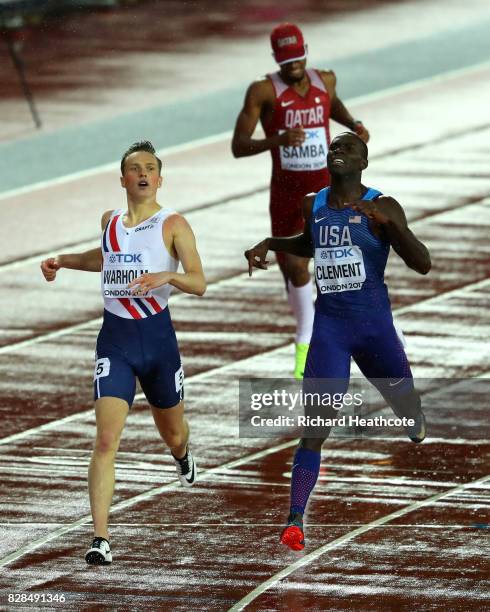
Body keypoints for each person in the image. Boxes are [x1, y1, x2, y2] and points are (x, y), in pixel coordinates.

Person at [245, 132, 431, 551]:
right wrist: (273, 242)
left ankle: (411, 412)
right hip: (329, 331)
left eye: (347, 148)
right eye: (334, 147)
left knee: (402, 396)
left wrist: (391, 228)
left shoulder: (383, 206)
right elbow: (309, 246)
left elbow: (423, 263)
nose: (337, 152)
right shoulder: (314, 204)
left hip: (373, 328)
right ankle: (295, 519)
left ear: (364, 161)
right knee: (315, 428)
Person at [40, 141, 206, 565]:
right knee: (106, 439)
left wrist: (167, 274)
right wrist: (63, 260)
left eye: (150, 168)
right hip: (114, 342)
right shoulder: (110, 221)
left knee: (173, 432)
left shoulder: (173, 224)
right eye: (135, 168)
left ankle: (183, 454)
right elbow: (105, 257)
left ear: (159, 178)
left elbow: (199, 281)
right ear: (124, 179)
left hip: (158, 344)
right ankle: (100, 538)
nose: (143, 173)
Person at [232, 22, 369, 379]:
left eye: (297, 59)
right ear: (276, 59)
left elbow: (331, 104)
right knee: (294, 266)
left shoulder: (326, 80)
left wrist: (352, 122)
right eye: (286, 62)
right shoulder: (263, 91)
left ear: (305, 51)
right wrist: (276, 140)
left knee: (338, 263)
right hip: (286, 192)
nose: (293, 67)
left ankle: (345, 336)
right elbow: (238, 146)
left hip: (328, 190)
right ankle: (305, 335)